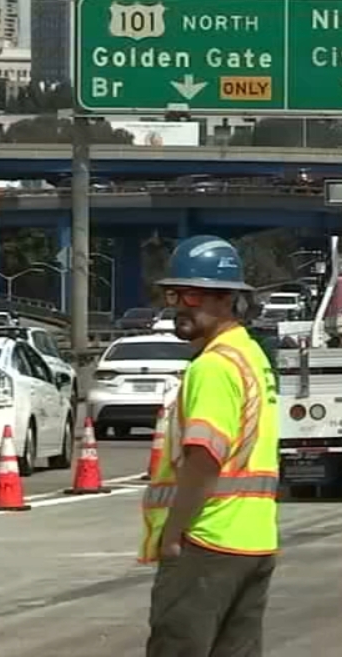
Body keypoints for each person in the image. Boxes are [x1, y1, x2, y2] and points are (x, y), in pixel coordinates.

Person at [141, 235, 280, 656]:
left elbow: (205, 456)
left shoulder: (214, 367)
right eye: (174, 294)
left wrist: (173, 533)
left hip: (208, 539)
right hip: (253, 541)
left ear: (226, 299)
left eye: (193, 295)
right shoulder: (250, 355)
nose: (180, 306)